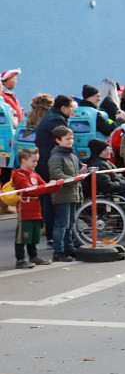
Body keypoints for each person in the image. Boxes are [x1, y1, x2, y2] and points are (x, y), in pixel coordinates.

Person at [33, 94, 75, 240]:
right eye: (71, 108)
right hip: (50, 163)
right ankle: (54, 236)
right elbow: (63, 142)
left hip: (45, 162)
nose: (72, 112)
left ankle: (52, 233)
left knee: (48, 200)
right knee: (53, 201)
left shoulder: (51, 116)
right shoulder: (56, 120)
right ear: (63, 108)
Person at [10, 148, 61, 268]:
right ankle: (21, 259)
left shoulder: (34, 174)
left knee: (34, 235)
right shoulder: (19, 175)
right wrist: (46, 187)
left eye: (36, 161)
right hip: (25, 210)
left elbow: (45, 187)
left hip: (36, 209)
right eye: (33, 161)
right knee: (23, 236)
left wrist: (56, 185)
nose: (36, 164)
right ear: (24, 160)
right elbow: (32, 191)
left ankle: (33, 256)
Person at [48, 126, 86, 262]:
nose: (71, 141)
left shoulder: (72, 155)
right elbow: (56, 174)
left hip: (72, 193)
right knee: (62, 224)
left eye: (72, 138)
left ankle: (69, 248)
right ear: (58, 140)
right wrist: (74, 179)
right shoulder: (56, 157)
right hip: (62, 194)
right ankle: (59, 251)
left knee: (70, 223)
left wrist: (80, 173)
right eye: (67, 139)